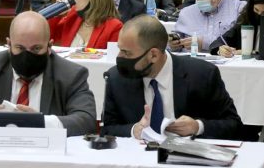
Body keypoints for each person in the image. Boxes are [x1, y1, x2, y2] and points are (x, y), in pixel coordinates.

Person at [102, 15, 242, 139]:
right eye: (120, 49)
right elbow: (107, 129)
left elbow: (233, 124)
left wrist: (198, 127)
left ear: (154, 55)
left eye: (127, 53)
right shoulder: (116, 78)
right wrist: (134, 130)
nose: (119, 57)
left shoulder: (202, 75)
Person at [0, 11, 97, 136]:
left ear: (49, 46)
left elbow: (86, 120)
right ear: (9, 45)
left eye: (36, 48)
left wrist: (40, 122)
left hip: (48, 152)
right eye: (20, 48)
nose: (27, 55)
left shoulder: (71, 75)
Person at [170, 0, 246, 52]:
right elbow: (176, 41)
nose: (199, 2)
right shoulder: (186, 13)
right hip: (192, 62)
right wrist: (174, 45)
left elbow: (241, 43)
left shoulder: (238, 8)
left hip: (228, 62)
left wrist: (204, 44)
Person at [49, 0, 123, 49]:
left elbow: (112, 58)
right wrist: (56, 13)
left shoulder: (114, 26)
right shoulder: (73, 16)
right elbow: (49, 37)